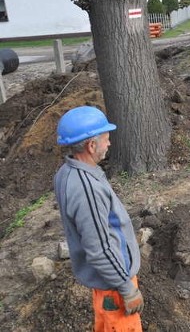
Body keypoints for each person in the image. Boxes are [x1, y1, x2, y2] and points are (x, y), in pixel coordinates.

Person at [54, 106, 143, 332]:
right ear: (91, 145)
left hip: (107, 284)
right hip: (114, 285)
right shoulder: (86, 189)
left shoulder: (67, 173)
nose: (109, 143)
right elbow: (100, 248)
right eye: (106, 138)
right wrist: (127, 289)